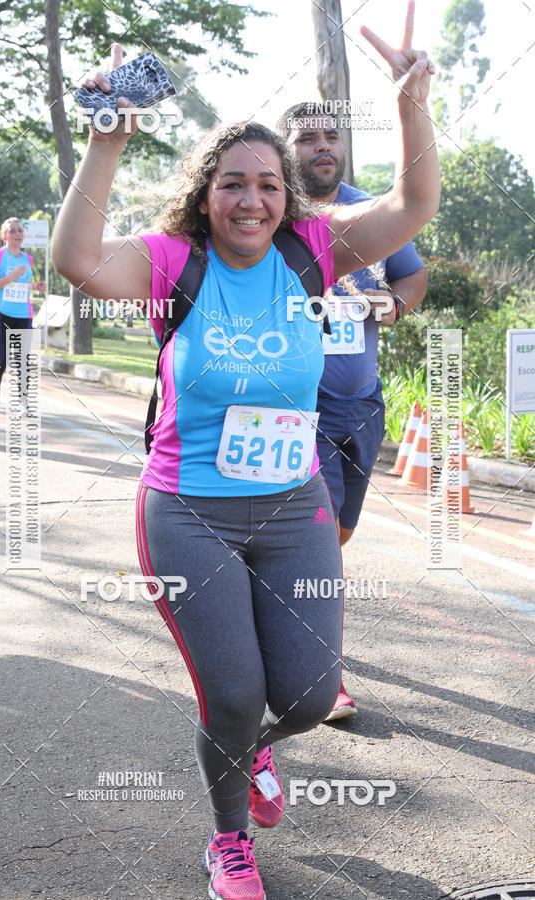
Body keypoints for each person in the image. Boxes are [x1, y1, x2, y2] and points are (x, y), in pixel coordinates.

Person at [52, 13, 438, 898]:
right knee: (230, 695)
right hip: (187, 510)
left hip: (292, 507)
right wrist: (107, 138)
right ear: (207, 190)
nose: (253, 199)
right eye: (234, 183)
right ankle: (229, 840)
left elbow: (414, 208)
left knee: (304, 700)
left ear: (287, 194)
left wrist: (413, 106)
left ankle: (254, 755)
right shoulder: (169, 263)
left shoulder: (315, 251)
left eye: (268, 183)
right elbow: (77, 259)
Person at [276, 90, 428, 722]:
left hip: (361, 403)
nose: (323, 147)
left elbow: (412, 276)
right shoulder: (274, 214)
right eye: (309, 139)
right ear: (289, 148)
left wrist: (394, 303)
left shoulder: (373, 213)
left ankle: (285, 606)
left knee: (337, 534)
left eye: (331, 137)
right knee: (319, 541)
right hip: (295, 403)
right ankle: (322, 670)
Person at [0, 217, 46, 407]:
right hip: (0, 312)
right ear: (4, 236)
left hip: (23, 314)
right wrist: (11, 276)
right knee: (3, 359)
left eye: (20, 230)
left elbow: (22, 284)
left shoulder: (28, 259)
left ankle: (23, 401)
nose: (17, 234)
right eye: (12, 231)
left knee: (23, 359)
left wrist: (36, 286)